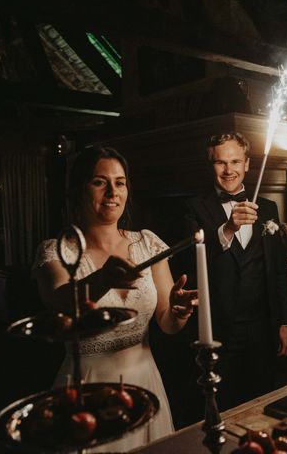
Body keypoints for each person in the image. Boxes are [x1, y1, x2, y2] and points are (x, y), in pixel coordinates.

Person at [33, 146, 197, 451]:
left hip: (145, 379)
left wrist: (178, 311)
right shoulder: (56, 251)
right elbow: (62, 302)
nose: (112, 191)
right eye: (99, 182)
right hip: (87, 389)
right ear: (78, 190)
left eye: (120, 182)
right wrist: (104, 278)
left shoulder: (148, 243)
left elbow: (167, 323)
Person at [184, 132, 287, 411]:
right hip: (220, 327)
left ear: (247, 164)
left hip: (263, 326)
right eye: (220, 163)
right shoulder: (195, 208)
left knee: (263, 400)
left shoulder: (268, 207)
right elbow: (191, 260)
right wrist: (228, 228)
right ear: (211, 166)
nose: (228, 170)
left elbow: (279, 270)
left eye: (235, 161)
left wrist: (286, 322)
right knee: (223, 404)